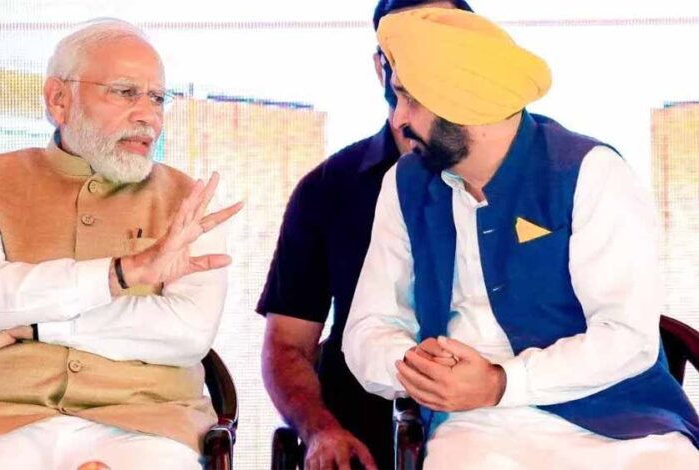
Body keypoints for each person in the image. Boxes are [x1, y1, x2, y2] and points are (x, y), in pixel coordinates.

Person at [343, 7, 699, 469]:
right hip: (474, 425)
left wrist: (501, 381)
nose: (398, 119)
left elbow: (627, 337)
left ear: (461, 102)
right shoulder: (405, 183)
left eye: (410, 99)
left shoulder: (591, 172)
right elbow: (367, 328)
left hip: (619, 416)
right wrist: (421, 369)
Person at [0, 19, 241, 470]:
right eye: (126, 92)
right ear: (59, 99)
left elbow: (186, 333)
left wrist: (23, 328)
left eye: (156, 98)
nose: (148, 116)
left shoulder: (192, 204)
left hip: (148, 423)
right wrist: (122, 275)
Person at [257, 1, 471, 468]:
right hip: (362, 434)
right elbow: (287, 344)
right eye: (407, 47)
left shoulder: (538, 177)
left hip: (499, 418)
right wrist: (320, 430)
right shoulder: (327, 189)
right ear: (381, 67)